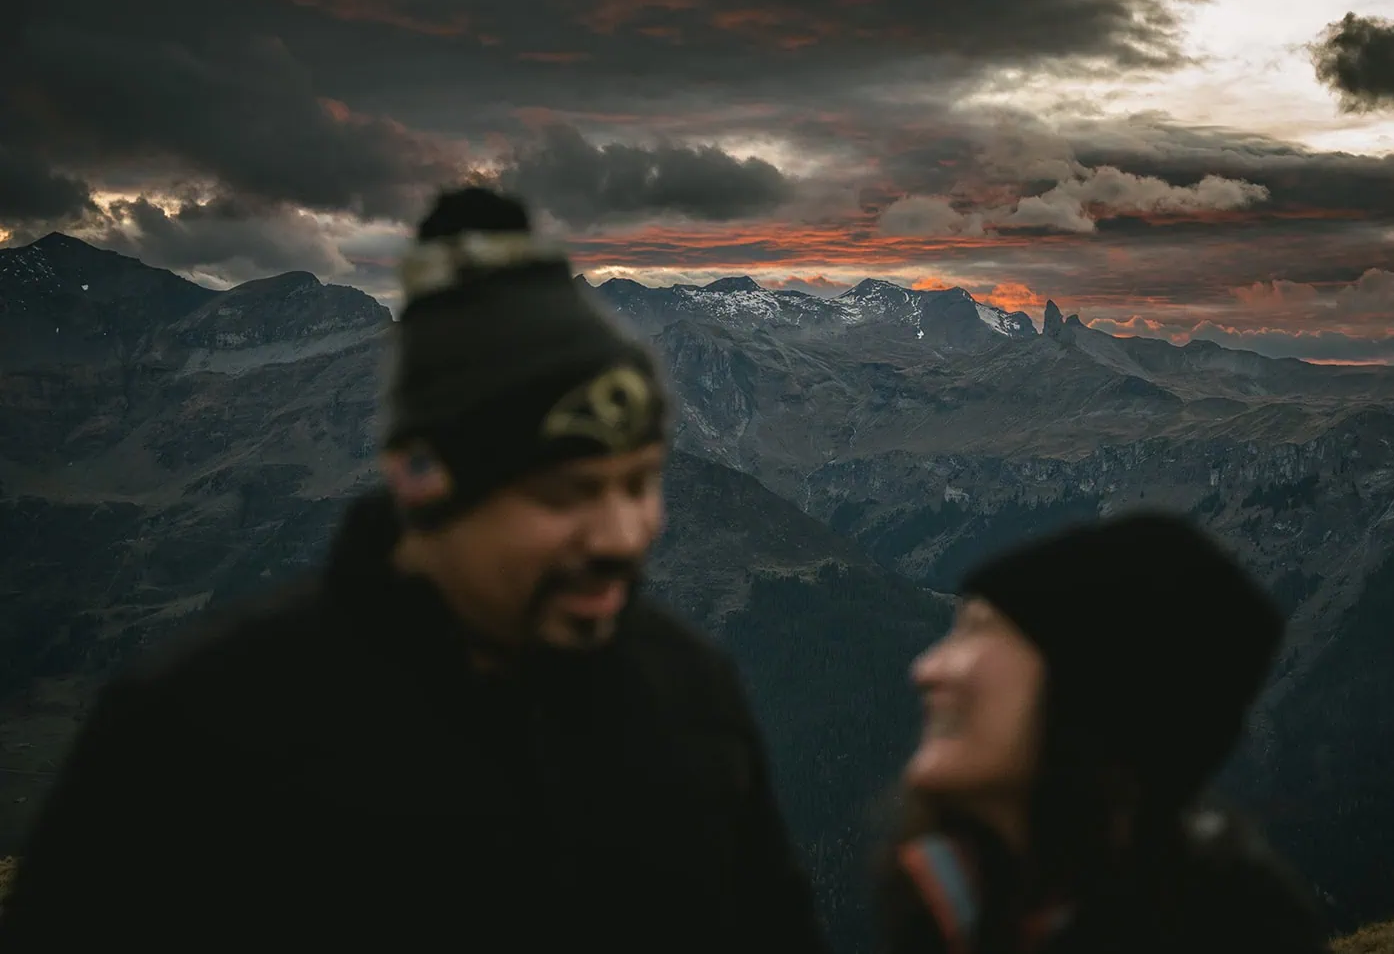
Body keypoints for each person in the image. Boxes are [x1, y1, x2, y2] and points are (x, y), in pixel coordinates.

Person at [0, 187, 829, 952]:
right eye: (565, 491)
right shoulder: (193, 736)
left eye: (640, 482)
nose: (622, 534)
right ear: (423, 480)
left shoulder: (690, 694)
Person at [877, 512, 1330, 954]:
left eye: (978, 632)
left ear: (1086, 695)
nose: (926, 668)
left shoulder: (1232, 934)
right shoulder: (955, 904)